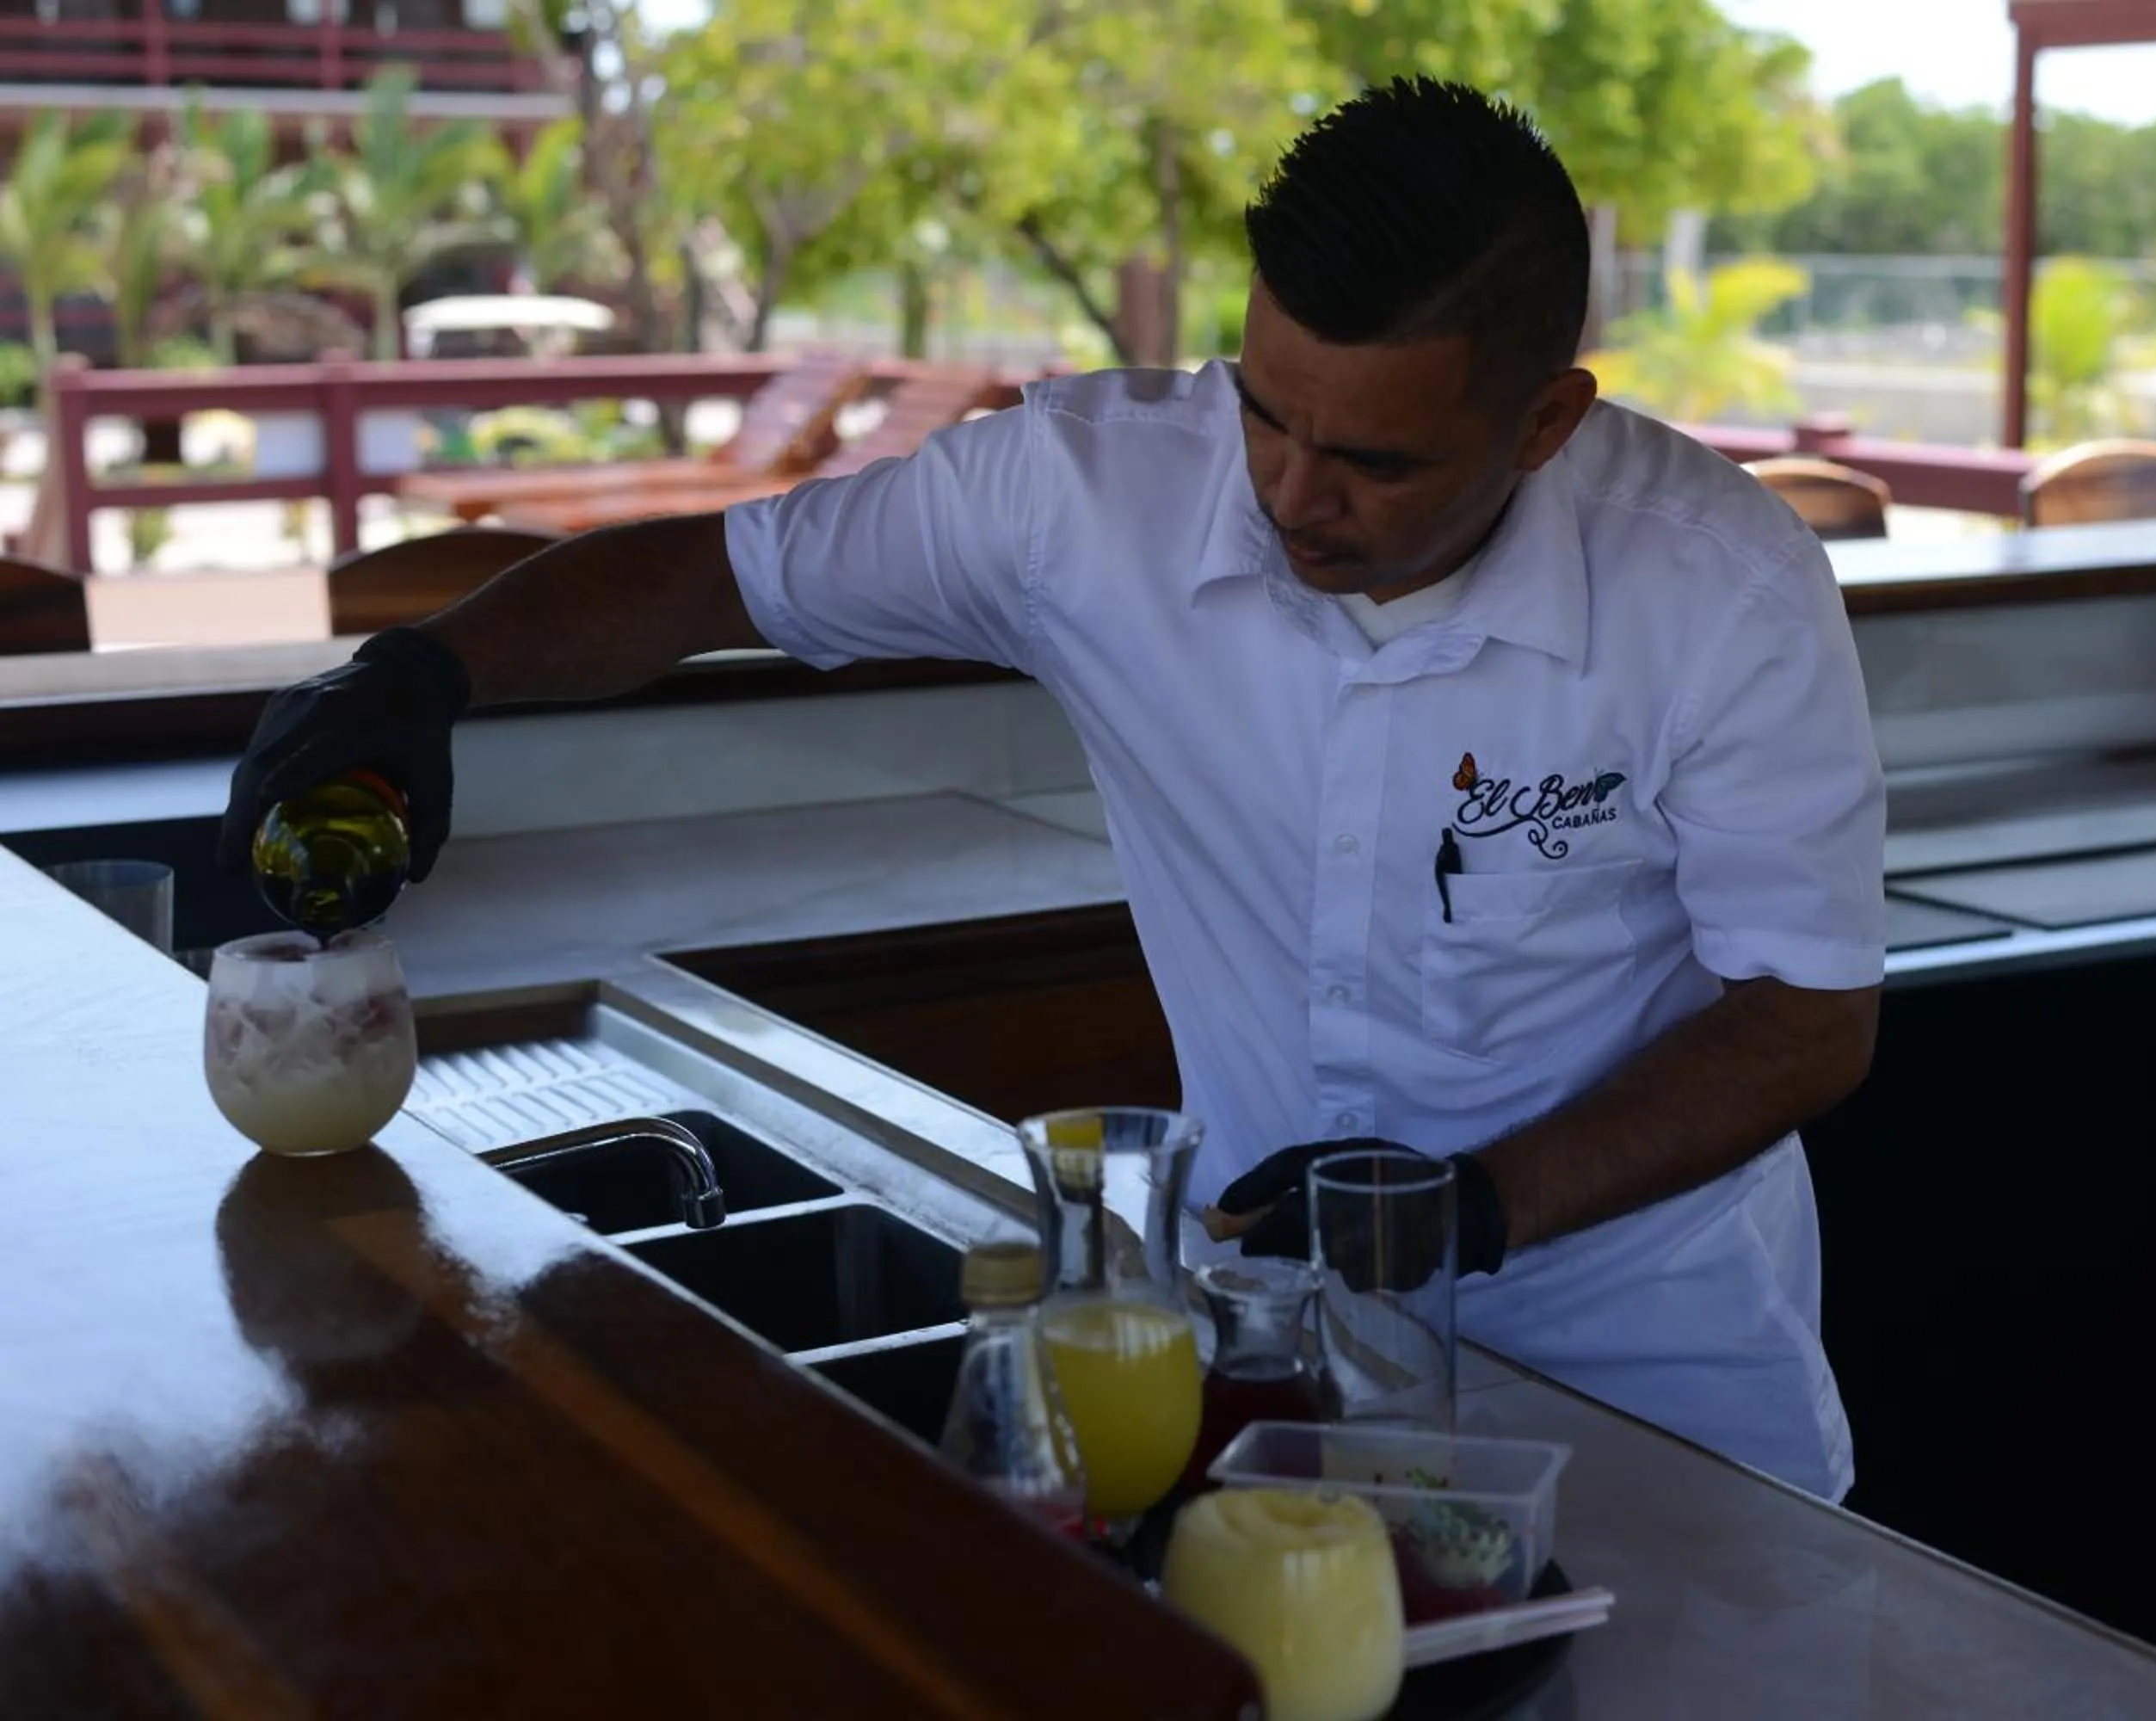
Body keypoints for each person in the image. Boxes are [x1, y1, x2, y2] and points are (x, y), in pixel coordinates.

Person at [221, 78, 1886, 1502]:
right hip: (1277, 1359)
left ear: (1543, 424)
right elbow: (719, 575)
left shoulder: (1722, 592)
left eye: (1377, 461)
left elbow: (1805, 1021)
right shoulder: (1081, 499)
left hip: (1660, 1390)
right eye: (1265, 415)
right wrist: (425, 672)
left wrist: (1481, 1205)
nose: (1295, 494)